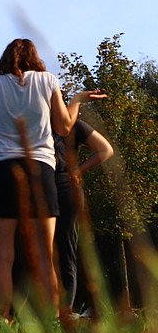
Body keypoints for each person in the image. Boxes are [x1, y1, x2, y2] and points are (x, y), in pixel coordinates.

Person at [0, 38, 105, 318]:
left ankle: (1, 322)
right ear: (35, 58)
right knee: (44, 256)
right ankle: (53, 321)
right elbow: (64, 128)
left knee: (2, 257)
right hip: (40, 169)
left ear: (5, 58)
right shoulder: (48, 80)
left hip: (1, 171)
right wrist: (76, 100)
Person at [53, 120, 113, 314]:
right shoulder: (33, 120)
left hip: (65, 186)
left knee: (66, 248)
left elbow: (105, 149)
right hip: (38, 187)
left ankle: (65, 310)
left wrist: (78, 170)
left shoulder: (72, 125)